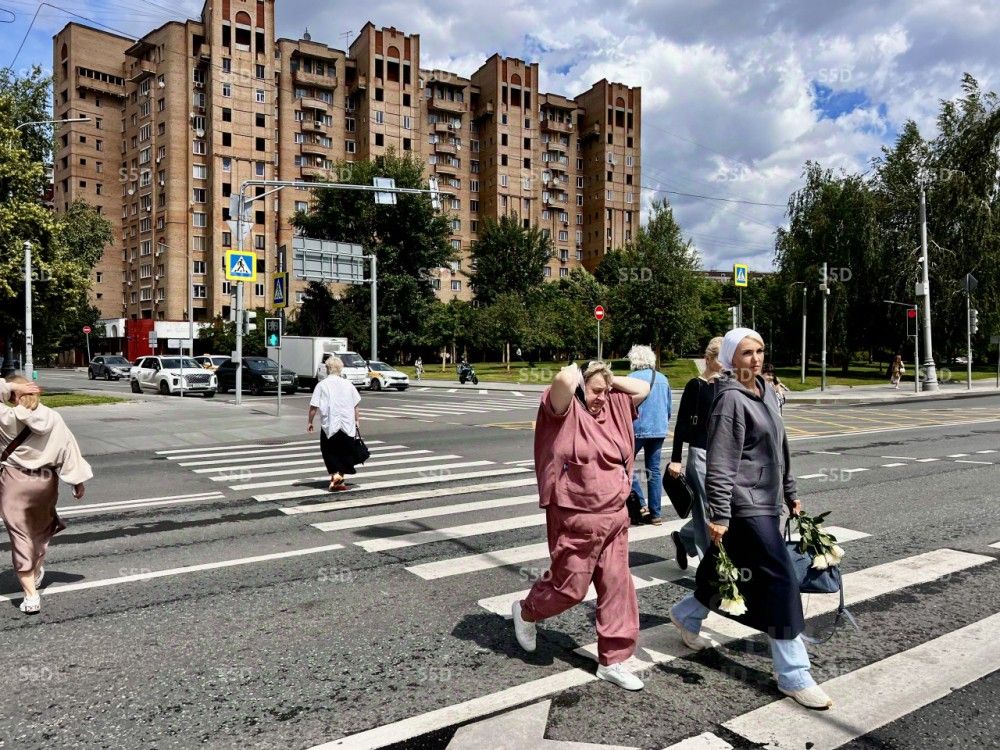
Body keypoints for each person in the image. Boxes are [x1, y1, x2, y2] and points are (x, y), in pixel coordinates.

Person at [669, 328, 833, 710]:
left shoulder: (767, 391)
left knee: (725, 566)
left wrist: (790, 492)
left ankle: (687, 614)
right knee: (780, 579)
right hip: (745, 504)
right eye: (746, 353)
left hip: (768, 500)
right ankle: (794, 675)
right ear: (731, 358)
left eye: (759, 351)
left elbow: (780, 446)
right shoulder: (729, 400)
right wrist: (720, 513)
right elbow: (721, 463)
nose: (755, 358)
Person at [511, 362, 651, 691]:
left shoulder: (615, 404)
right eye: (595, 390)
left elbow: (644, 388)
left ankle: (612, 661)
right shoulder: (562, 409)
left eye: (607, 391)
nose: (603, 397)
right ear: (579, 387)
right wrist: (580, 370)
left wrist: (608, 379)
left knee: (617, 587)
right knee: (570, 588)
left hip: (615, 516)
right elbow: (562, 380)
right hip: (576, 518)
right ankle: (527, 611)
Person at [1, 376, 91, 615]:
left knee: (21, 535)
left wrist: (10, 386)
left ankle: (31, 596)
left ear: (13, 396)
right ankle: (36, 570)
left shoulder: (6, 417)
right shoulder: (53, 417)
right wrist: (77, 481)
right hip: (46, 482)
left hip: (14, 483)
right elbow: (68, 448)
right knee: (40, 532)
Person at [667, 336, 724, 570]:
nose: (725, 363)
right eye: (720, 358)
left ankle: (683, 539)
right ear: (708, 359)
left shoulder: (728, 385)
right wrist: (676, 459)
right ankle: (709, 570)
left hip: (724, 456)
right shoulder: (696, 385)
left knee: (723, 510)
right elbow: (681, 424)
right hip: (700, 453)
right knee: (705, 512)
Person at [626, 345, 671, 525]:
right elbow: (668, 407)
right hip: (658, 429)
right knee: (653, 470)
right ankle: (656, 514)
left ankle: (641, 503)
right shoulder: (663, 379)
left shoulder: (630, 379)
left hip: (636, 429)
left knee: (625, 466)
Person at [307, 357, 361, 492]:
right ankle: (339, 480)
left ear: (328, 368)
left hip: (330, 425)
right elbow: (356, 406)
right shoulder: (348, 384)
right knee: (344, 452)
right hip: (347, 425)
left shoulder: (322, 385)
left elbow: (314, 406)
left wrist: (310, 422)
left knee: (329, 452)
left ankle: (336, 478)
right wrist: (357, 421)